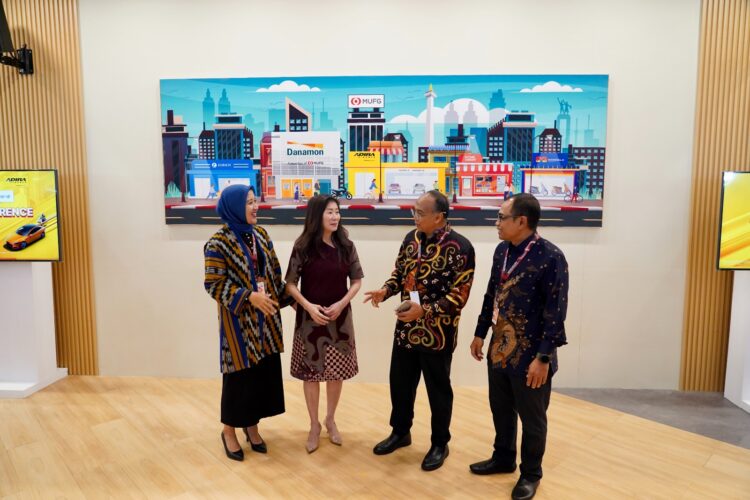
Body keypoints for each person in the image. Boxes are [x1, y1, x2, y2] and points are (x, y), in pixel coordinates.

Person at [364, 190, 475, 471]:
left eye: (421, 213)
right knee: (400, 384)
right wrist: (385, 291)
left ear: (439, 217)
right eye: (414, 211)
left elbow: (459, 296)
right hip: (406, 328)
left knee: (438, 391)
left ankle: (440, 443)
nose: (415, 217)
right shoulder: (410, 239)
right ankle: (400, 432)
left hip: (438, 333)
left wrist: (425, 311)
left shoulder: (461, 247)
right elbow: (399, 274)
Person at [468, 193, 569, 500]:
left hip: (531, 354)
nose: (496, 223)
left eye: (502, 217)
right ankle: (503, 457)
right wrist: (480, 332)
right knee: (500, 407)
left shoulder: (551, 257)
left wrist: (543, 358)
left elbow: (556, 312)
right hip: (500, 347)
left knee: (533, 417)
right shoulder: (502, 251)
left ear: (521, 221)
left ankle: (531, 473)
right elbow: (492, 294)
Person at [204, 184, 293, 462]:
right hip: (239, 325)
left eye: (256, 201)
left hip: (266, 322)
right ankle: (229, 430)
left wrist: (293, 299)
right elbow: (214, 284)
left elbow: (274, 274)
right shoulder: (217, 243)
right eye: (249, 202)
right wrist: (248, 296)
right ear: (233, 207)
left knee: (261, 376)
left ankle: (252, 426)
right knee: (239, 379)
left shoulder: (261, 235)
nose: (256, 207)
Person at [285, 195, 364, 453]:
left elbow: (356, 282)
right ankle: (314, 425)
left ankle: (330, 419)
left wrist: (341, 304)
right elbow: (290, 285)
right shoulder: (303, 246)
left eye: (337, 212)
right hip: (310, 321)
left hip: (339, 320)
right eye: (329, 212)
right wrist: (308, 307)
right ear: (316, 215)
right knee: (311, 374)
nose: (335, 216)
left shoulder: (346, 246)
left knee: (335, 373)